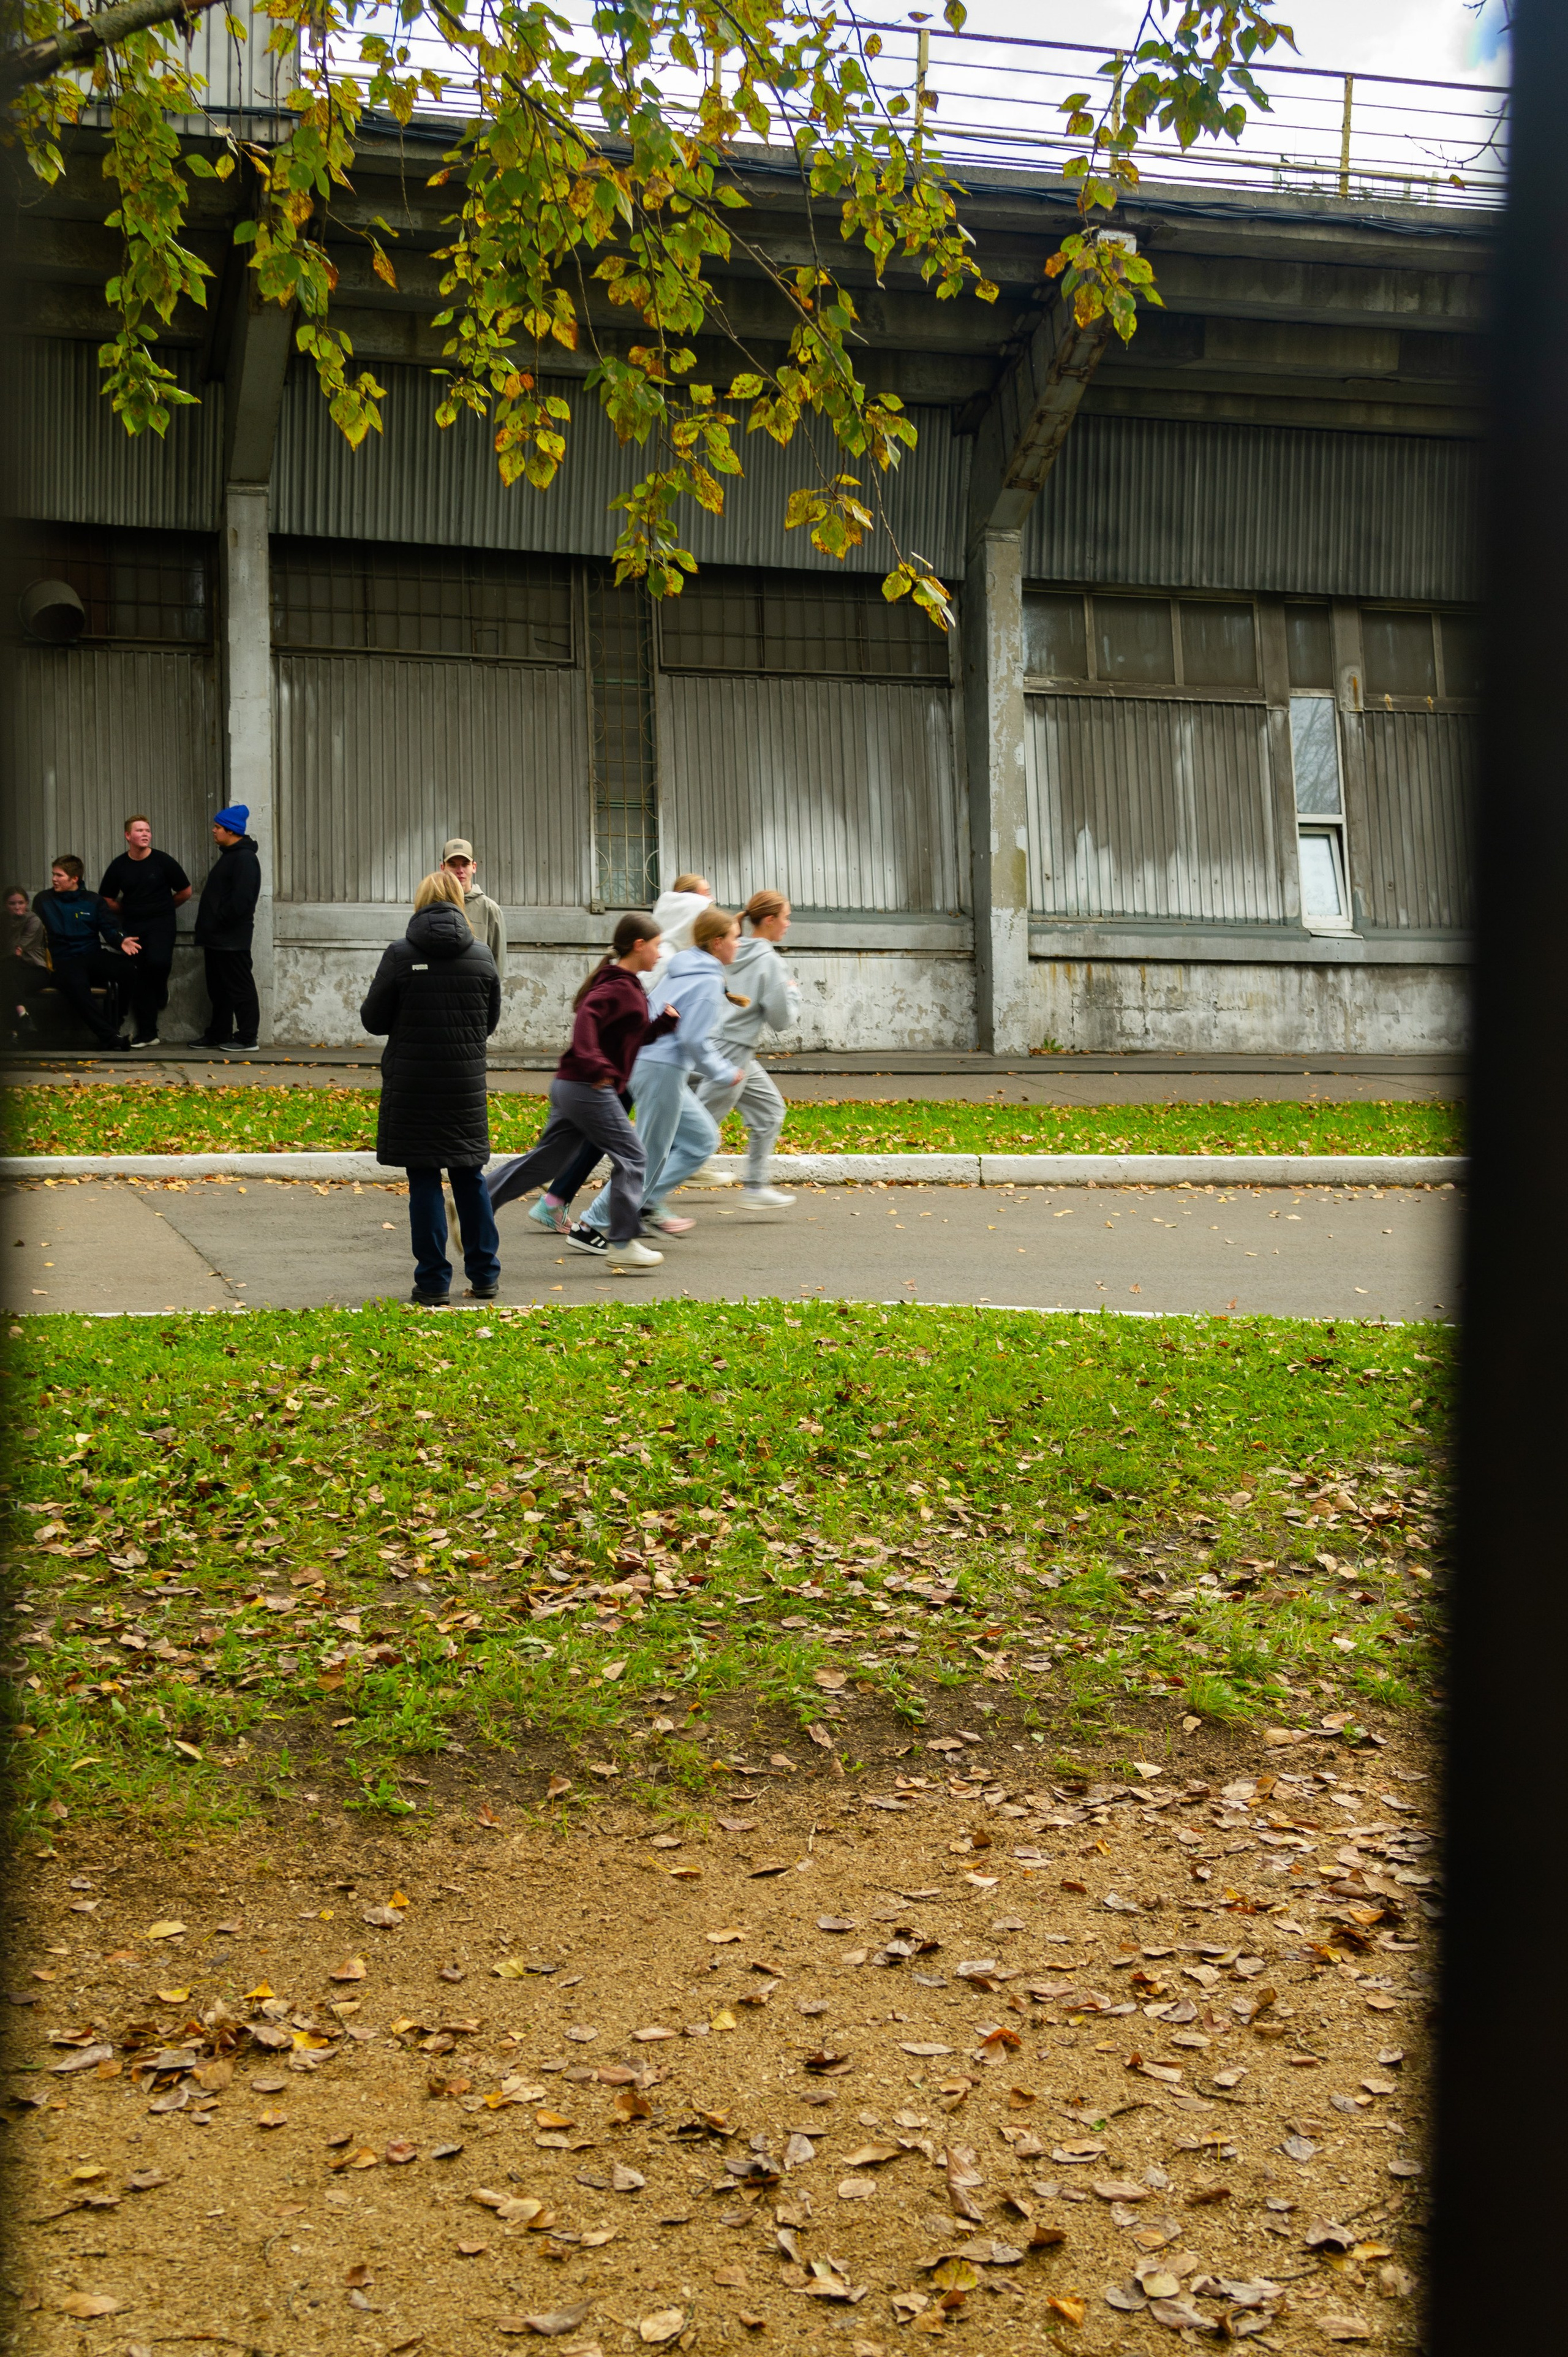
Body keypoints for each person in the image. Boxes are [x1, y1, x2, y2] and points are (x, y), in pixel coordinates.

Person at [522, 871, 715, 1236]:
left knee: (601, 1139)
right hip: (626, 1063)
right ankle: (622, 1216)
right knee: (625, 1144)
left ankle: (561, 1201)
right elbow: (611, 1014)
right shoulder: (664, 955)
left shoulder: (664, 950)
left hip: (624, 1061)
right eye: (707, 904)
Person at [485, 914, 675, 1272]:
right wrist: (596, 1063)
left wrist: (662, 1026)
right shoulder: (618, 985)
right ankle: (621, 1242)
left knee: (548, 1161)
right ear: (639, 945)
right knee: (634, 1157)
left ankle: (477, 1201)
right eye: (657, 945)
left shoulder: (627, 984)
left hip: (573, 1085)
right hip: (588, 1086)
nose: (660, 953)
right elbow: (587, 1016)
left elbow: (628, 1038)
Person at [361, 869, 503, 1306]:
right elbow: (489, 1023)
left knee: (424, 1179)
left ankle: (433, 1280)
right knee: (469, 1175)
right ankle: (484, 1274)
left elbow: (374, 1019)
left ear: (420, 903)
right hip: (463, 1084)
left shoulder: (400, 954)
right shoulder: (481, 956)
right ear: (461, 902)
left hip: (414, 1084)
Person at [578, 905, 745, 1243]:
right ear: (716, 943)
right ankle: (592, 1222)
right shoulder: (708, 981)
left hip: (655, 1064)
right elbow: (693, 1039)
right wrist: (725, 1072)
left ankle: (646, 1202)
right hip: (660, 1068)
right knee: (650, 1153)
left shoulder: (685, 968)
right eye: (734, 939)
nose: (738, 945)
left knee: (702, 1141)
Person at [698, 889, 800, 1208]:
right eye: (786, 918)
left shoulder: (731, 946)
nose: (788, 924)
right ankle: (638, 1200)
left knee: (770, 1111)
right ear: (769, 920)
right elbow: (782, 1020)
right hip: (732, 1051)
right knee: (695, 1132)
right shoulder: (769, 961)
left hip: (712, 1043)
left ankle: (756, 1186)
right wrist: (794, 995)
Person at [97, 814, 192, 1048]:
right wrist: (128, 910)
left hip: (162, 923)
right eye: (139, 830)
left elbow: (185, 891)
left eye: (148, 830)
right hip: (134, 926)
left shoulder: (163, 861)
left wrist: (164, 908)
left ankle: (162, 989)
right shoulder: (119, 865)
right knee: (140, 976)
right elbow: (107, 898)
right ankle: (148, 1033)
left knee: (158, 963)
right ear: (128, 836)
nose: (145, 834)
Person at [31, 857, 129, 1051]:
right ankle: (109, 1037)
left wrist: (121, 939)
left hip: (91, 954)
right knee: (77, 984)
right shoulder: (44, 900)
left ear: (74, 879)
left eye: (59, 875)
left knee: (128, 969)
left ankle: (115, 1022)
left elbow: (110, 929)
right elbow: (32, 930)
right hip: (63, 959)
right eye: (54, 874)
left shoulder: (93, 901)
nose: (54, 879)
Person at [191, 805, 262, 1053]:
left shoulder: (244, 859)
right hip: (218, 938)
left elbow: (242, 901)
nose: (214, 831)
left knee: (239, 987)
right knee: (218, 989)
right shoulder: (231, 855)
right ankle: (219, 1033)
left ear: (231, 831)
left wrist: (221, 920)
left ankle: (247, 1038)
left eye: (218, 827)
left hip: (232, 938)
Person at [442, 838, 507, 978]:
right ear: (443, 868)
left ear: (474, 867)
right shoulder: (434, 907)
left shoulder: (490, 910)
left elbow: (498, 961)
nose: (460, 871)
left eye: (465, 864)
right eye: (453, 865)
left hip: (475, 994)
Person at [4, 884, 50, 1040]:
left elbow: (16, 950)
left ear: (27, 904)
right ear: (5, 905)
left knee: (7, 980)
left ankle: (13, 1032)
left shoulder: (33, 921)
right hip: (12, 969)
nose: (17, 907)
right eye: (12, 904)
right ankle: (23, 1016)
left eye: (21, 903)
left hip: (35, 968)